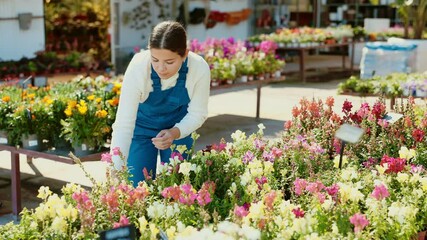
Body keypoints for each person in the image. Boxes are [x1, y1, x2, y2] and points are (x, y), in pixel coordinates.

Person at [110, 21, 211, 186]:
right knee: (137, 186)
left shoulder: (198, 68)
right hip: (141, 129)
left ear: (184, 54)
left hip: (179, 127)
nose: (161, 68)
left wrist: (175, 132)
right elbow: (123, 123)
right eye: (155, 59)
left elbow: (198, 113)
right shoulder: (138, 66)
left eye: (169, 62)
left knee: (176, 186)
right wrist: (115, 167)